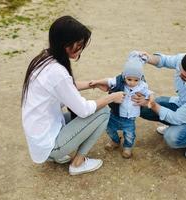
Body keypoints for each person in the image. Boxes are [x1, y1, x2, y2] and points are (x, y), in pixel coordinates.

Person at [21, 16, 125, 175]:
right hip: (49, 142)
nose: (81, 48)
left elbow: (64, 87)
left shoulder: (44, 58)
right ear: (65, 44)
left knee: (90, 111)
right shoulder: (58, 72)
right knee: (103, 112)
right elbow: (83, 110)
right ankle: (77, 163)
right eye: (79, 44)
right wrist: (112, 97)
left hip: (41, 135)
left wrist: (94, 83)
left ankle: (58, 155)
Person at [132, 48, 186, 159]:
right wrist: (146, 58)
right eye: (180, 72)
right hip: (181, 104)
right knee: (143, 108)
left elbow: (177, 118)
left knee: (172, 138)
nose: (180, 76)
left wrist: (152, 104)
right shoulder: (184, 60)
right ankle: (176, 128)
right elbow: (163, 60)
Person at [90, 51, 152, 158]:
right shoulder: (119, 81)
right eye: (129, 79)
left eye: (136, 80)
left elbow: (150, 93)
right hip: (115, 113)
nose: (132, 82)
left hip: (129, 117)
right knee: (109, 128)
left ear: (140, 78)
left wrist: (149, 101)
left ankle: (127, 147)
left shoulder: (142, 86)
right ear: (124, 76)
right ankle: (115, 141)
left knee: (129, 134)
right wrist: (96, 81)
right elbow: (108, 81)